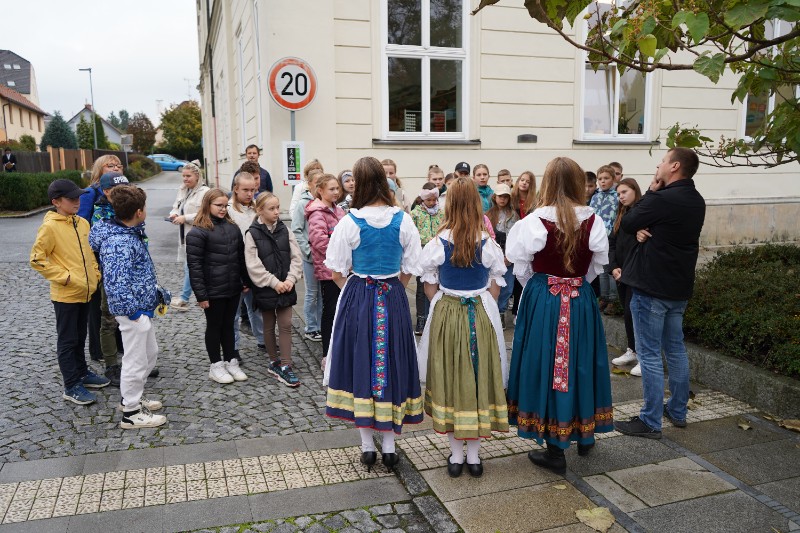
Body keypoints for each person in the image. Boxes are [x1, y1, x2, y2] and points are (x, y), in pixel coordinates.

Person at [505, 157, 613, 475]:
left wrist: (543, 287)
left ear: (548, 183)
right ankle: (584, 434)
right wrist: (572, 283)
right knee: (580, 362)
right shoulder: (594, 220)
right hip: (580, 300)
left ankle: (555, 450)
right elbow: (595, 268)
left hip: (544, 298)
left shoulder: (533, 222)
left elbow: (521, 269)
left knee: (545, 363)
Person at [323, 156, 424, 474]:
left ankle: (368, 447)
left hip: (359, 298)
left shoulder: (349, 222)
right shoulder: (403, 220)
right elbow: (411, 266)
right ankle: (389, 447)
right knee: (392, 362)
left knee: (361, 363)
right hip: (392, 296)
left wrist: (355, 292)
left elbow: (336, 270)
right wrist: (393, 288)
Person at [417, 177, 509, 478]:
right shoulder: (487, 242)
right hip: (480, 312)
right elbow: (496, 283)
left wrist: (444, 302)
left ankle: (456, 456)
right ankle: (473, 456)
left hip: (447, 311)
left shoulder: (438, 242)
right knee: (479, 377)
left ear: (450, 205)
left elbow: (429, 283)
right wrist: (484, 302)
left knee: (451, 378)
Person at [614, 148, 705, 438]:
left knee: (650, 354)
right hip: (677, 289)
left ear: (675, 166)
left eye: (663, 161)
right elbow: (660, 230)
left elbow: (628, 223)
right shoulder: (696, 199)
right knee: (675, 349)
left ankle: (650, 420)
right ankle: (677, 410)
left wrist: (652, 192)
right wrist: (646, 228)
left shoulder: (663, 197)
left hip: (651, 288)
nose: (659, 165)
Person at [89, 186, 167, 428]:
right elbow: (116, 283)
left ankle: (132, 397)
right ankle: (131, 413)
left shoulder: (128, 233)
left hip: (140, 309)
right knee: (136, 360)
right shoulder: (119, 242)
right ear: (139, 212)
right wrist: (133, 313)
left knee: (149, 354)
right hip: (132, 312)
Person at [31, 179, 108, 405]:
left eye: (78, 197)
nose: (77, 201)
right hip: (65, 295)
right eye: (71, 198)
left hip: (86, 291)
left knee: (80, 336)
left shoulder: (82, 223)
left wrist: (95, 275)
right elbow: (37, 259)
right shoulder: (50, 227)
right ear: (56, 202)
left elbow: (90, 253)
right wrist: (66, 278)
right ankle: (71, 385)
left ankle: (82, 373)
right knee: (68, 340)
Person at [186, 188, 250, 384]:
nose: (223, 209)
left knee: (229, 325)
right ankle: (215, 365)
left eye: (225, 205)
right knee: (215, 326)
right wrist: (201, 295)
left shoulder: (232, 228)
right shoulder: (197, 232)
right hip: (213, 290)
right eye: (218, 205)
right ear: (208, 205)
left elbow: (240, 257)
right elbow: (195, 266)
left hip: (232, 287)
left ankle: (231, 361)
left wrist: (245, 280)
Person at [245, 193, 304, 387]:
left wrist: (290, 279)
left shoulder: (285, 230)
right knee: (269, 325)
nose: (277, 212)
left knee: (286, 324)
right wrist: (273, 282)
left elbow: (296, 257)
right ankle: (273, 361)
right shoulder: (252, 233)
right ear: (259, 210)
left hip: (286, 285)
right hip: (266, 287)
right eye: (271, 209)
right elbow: (253, 264)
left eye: (278, 207)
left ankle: (286, 365)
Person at [86, 172, 133, 387]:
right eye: (117, 190)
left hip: (132, 273)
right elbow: (96, 244)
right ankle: (111, 365)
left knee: (133, 318)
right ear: (106, 192)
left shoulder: (131, 207)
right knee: (108, 320)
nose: (124, 192)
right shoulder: (100, 213)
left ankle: (134, 361)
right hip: (111, 274)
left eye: (126, 188)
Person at [78, 155, 125, 364]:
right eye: (110, 165)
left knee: (117, 302)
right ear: (99, 169)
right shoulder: (90, 193)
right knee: (98, 305)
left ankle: (119, 345)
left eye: (119, 165)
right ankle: (99, 350)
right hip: (97, 256)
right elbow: (82, 224)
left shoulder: (124, 191)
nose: (116, 168)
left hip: (118, 257)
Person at [306, 174, 346, 361]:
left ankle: (340, 350)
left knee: (342, 310)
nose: (336, 192)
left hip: (343, 268)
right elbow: (319, 242)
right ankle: (327, 355)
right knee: (330, 311)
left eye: (337, 188)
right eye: (332, 189)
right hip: (328, 271)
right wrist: (341, 253)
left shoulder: (339, 210)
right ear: (320, 191)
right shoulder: (317, 213)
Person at [227, 173, 265, 358]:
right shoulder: (228, 211)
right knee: (234, 312)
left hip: (255, 265)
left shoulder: (258, 208)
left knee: (257, 307)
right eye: (245, 190)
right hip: (234, 267)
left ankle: (263, 340)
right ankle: (233, 348)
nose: (250, 194)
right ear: (236, 189)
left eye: (253, 190)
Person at [608, 178, 643, 375]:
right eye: (618, 194)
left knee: (635, 314)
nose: (621, 197)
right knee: (628, 313)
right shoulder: (621, 214)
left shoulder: (642, 214)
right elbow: (612, 242)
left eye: (624, 192)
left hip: (635, 274)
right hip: (621, 273)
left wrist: (626, 270)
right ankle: (633, 350)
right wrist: (614, 267)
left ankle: (644, 356)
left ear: (635, 191)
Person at [169, 162, 210, 310]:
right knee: (194, 267)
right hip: (185, 235)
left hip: (199, 236)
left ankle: (184, 298)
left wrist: (185, 218)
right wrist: (174, 214)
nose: (185, 179)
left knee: (190, 267)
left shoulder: (205, 192)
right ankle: (203, 295)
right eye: (183, 176)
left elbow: (205, 214)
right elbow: (176, 206)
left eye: (188, 176)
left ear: (197, 176)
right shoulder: (183, 190)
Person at [291, 168, 324, 343]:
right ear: (309, 184)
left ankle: (320, 325)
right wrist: (308, 251)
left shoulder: (324, 202)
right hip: (310, 257)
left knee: (322, 294)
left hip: (324, 257)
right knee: (312, 293)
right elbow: (297, 229)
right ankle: (311, 327)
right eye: (316, 183)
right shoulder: (302, 204)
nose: (319, 186)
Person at [410, 183, 445, 335]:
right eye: (428, 200)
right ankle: (421, 318)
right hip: (422, 253)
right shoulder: (415, 214)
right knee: (421, 287)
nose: (431, 202)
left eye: (434, 200)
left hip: (438, 252)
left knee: (439, 285)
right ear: (423, 199)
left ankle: (436, 317)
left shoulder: (442, 213)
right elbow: (412, 234)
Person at [485, 183, 519, 327]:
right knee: (491, 284)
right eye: (500, 196)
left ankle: (501, 311)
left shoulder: (514, 215)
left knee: (507, 287)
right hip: (493, 255)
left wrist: (509, 257)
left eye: (505, 196)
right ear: (495, 197)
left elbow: (516, 237)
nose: (503, 199)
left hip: (508, 256)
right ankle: (491, 311)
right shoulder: (488, 215)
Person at [590, 165, 619, 314]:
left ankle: (613, 300)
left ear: (613, 179)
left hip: (611, 237)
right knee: (601, 268)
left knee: (610, 268)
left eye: (606, 178)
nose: (603, 181)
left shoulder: (617, 196)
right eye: (600, 179)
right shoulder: (595, 197)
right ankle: (604, 297)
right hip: (598, 237)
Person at [509, 171, 536, 325]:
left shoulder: (535, 202)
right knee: (513, 277)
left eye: (528, 181)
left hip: (527, 241)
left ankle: (521, 311)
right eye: (522, 180)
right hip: (513, 239)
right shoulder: (511, 199)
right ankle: (513, 309)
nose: (524, 183)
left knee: (524, 276)